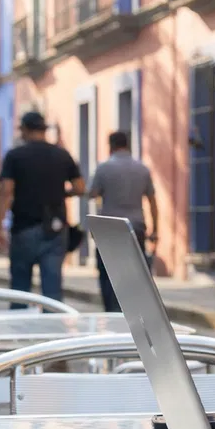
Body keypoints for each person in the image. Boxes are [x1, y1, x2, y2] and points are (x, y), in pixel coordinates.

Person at [0, 111, 83, 304]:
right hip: (55, 228)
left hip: (24, 227)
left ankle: (19, 331)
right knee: (52, 290)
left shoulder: (15, 156)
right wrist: (60, 194)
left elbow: (7, 190)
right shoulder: (62, 155)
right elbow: (80, 187)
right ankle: (53, 330)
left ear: (25, 130)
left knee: (20, 289)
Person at [86, 130, 158, 311]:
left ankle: (112, 312)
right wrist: (155, 229)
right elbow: (152, 201)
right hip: (135, 227)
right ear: (127, 145)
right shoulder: (142, 169)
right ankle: (134, 311)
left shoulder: (103, 168)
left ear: (110, 146)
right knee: (136, 274)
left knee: (108, 273)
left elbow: (92, 193)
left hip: (110, 229)